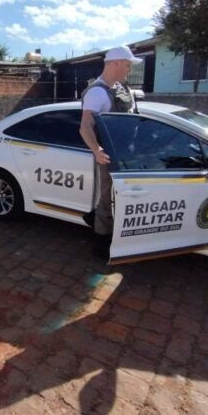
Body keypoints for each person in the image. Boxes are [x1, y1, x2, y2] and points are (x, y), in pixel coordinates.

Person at [79, 45, 143, 263]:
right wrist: (97, 151)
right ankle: (101, 249)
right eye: (127, 64)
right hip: (109, 156)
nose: (129, 69)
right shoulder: (98, 92)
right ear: (115, 63)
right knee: (107, 201)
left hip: (125, 155)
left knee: (117, 200)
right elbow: (85, 127)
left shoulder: (120, 88)